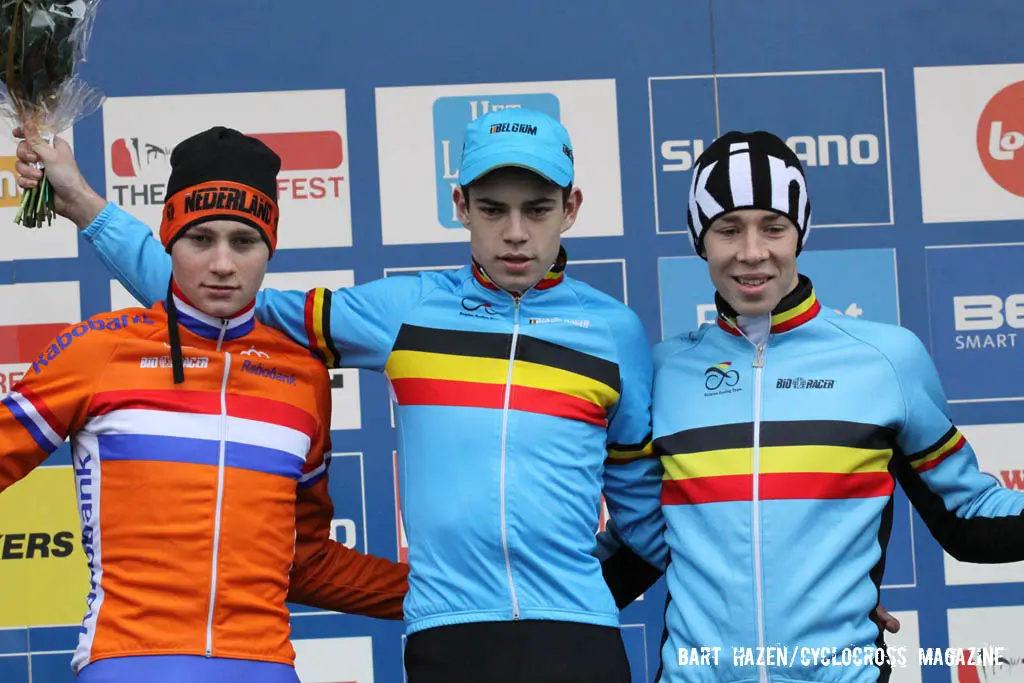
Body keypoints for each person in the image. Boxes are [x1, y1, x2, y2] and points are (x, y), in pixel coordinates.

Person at [15, 109, 666, 683]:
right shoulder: (404, 310)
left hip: (577, 630)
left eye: (538, 209)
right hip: (452, 633)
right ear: (461, 206)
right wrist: (84, 205)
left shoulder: (617, 333)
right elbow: (219, 294)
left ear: (572, 207)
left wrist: (583, 595)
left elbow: (646, 520)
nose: (516, 234)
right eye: (494, 209)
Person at [2, 127, 408, 683]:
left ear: (270, 247)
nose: (222, 264)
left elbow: (306, 562)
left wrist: (458, 601)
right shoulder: (99, 350)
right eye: (201, 240)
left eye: (243, 241)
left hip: (263, 666)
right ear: (168, 239)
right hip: (128, 662)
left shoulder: (303, 376)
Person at [647, 131, 1024, 682]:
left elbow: (968, 516)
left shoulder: (886, 359)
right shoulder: (662, 372)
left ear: (799, 234)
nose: (752, 252)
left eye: (773, 227)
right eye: (728, 229)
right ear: (700, 240)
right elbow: (635, 537)